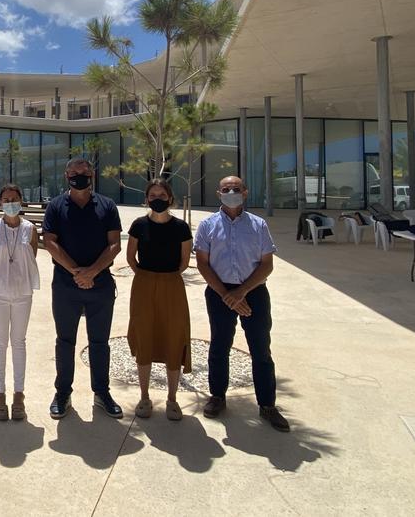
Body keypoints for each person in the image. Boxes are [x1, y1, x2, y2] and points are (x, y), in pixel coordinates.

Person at [193, 175, 290, 432]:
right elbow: (203, 263)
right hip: (219, 292)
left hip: (254, 292)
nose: (231, 192)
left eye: (236, 188)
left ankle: (267, 404)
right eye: (226, 189)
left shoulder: (258, 225)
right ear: (219, 193)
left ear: (245, 192)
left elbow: (267, 264)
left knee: (261, 349)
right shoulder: (207, 225)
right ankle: (217, 396)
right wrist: (227, 295)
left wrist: (242, 292)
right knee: (219, 345)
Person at [42, 158, 124, 419]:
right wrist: (77, 272)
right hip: (66, 286)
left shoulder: (107, 205)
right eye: (75, 172)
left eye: (85, 172)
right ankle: (63, 393)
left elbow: (115, 245)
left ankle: (102, 393)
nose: (80, 176)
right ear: (67, 175)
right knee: (65, 341)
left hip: (100, 285)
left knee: (99, 342)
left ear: (92, 175)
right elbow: (50, 242)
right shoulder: (56, 206)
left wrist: (92, 272)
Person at [125, 179, 193, 420]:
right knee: (144, 335)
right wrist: (145, 276)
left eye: (162, 195)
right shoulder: (138, 225)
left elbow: (184, 262)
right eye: (153, 194)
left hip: (172, 284)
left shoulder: (181, 228)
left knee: (174, 335)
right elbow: (131, 257)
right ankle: (144, 397)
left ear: (170, 198)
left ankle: (172, 399)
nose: (157, 199)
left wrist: (166, 278)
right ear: (147, 198)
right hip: (143, 283)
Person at [0, 183, 39, 422]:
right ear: (0, 203)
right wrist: (1, 277)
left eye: (14, 198)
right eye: (6, 199)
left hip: (23, 293)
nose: (10, 203)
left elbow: (31, 256)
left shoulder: (30, 229)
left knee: (19, 343)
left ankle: (18, 395)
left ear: (21, 201)